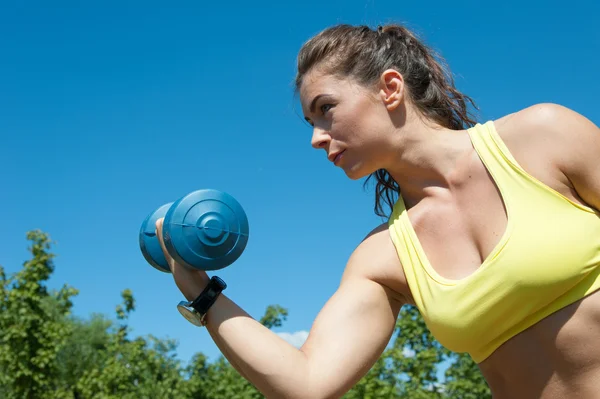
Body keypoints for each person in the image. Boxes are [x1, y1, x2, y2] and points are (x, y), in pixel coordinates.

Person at [155, 23, 600, 399]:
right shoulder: (384, 256)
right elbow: (308, 382)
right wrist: (199, 290)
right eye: (312, 122)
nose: (316, 138)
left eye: (326, 109)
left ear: (390, 88)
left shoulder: (544, 137)